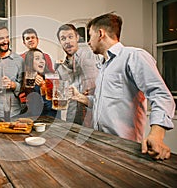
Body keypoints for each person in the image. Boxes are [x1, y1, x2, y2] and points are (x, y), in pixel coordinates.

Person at [69, 13, 175, 160]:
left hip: (124, 148)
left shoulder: (133, 56)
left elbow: (161, 95)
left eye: (90, 35)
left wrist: (157, 135)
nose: (88, 41)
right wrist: (82, 98)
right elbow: (107, 102)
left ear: (100, 34)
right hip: (101, 143)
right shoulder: (104, 65)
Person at [56, 24, 100, 125]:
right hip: (72, 119)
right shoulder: (60, 69)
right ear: (60, 42)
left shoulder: (94, 56)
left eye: (70, 37)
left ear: (77, 38)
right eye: (63, 38)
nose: (67, 41)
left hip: (93, 117)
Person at [0, 22, 24, 118]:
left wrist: (13, 85)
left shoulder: (19, 60)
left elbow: (24, 88)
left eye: (7, 37)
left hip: (13, 113)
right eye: (1, 38)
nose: (6, 41)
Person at [20, 48, 58, 117]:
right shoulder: (25, 80)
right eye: (37, 59)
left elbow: (51, 108)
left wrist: (43, 87)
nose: (42, 61)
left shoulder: (48, 80)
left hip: (48, 119)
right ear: (29, 62)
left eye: (43, 58)